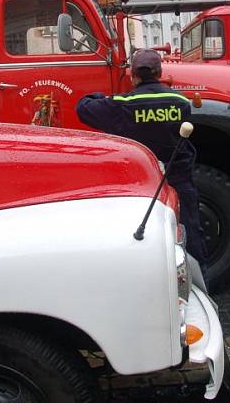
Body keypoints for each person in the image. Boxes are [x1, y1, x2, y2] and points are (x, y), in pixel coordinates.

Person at [75, 48, 208, 277]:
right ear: (159, 73)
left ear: (133, 75)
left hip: (142, 185)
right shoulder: (180, 102)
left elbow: (83, 108)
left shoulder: (123, 105)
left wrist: (101, 97)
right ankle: (200, 283)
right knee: (190, 232)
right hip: (178, 180)